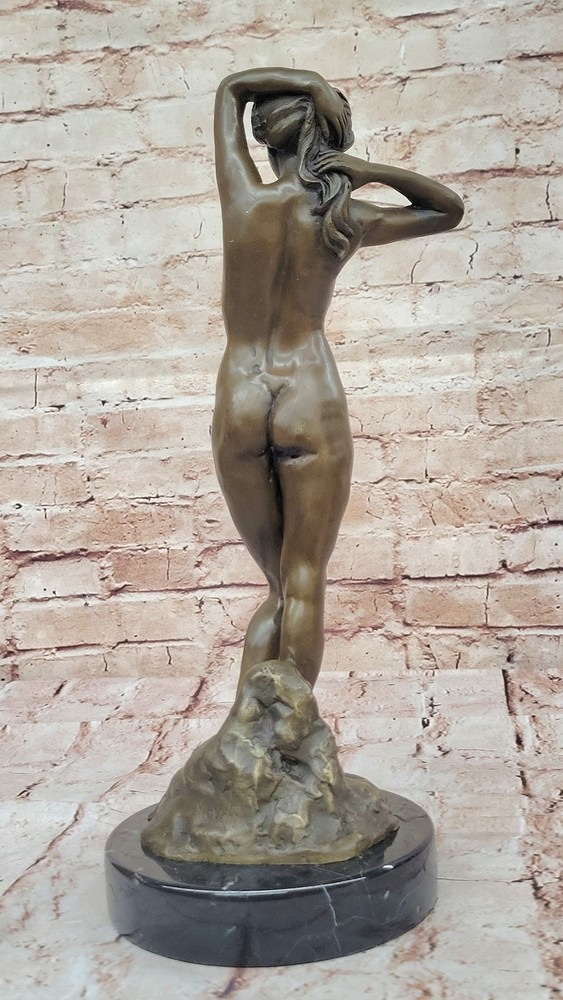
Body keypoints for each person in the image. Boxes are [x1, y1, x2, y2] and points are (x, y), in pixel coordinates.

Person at [212, 68, 464, 693]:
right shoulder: (343, 215)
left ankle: (252, 726)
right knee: (301, 580)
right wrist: (363, 169)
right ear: (325, 136)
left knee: (277, 587)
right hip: (307, 392)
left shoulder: (243, 199)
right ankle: (285, 728)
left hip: (240, 393)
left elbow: (231, 89)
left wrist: (308, 86)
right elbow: (446, 210)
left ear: (264, 136)